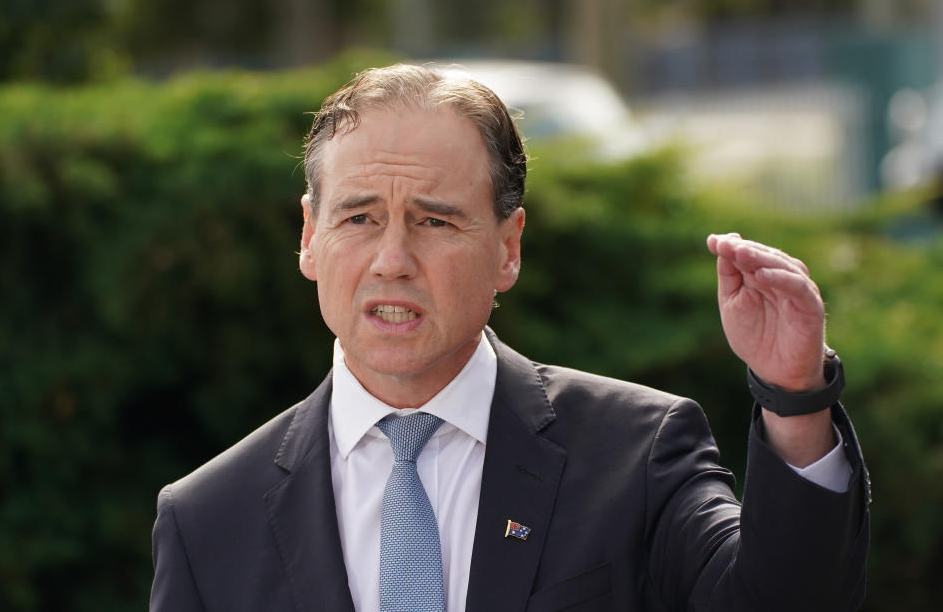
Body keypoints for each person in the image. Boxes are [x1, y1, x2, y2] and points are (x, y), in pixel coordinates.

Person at [150, 64, 869, 612]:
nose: (392, 259)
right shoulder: (210, 519)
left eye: (434, 220)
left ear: (508, 247)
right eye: (360, 218)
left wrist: (795, 398)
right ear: (309, 236)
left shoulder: (636, 453)